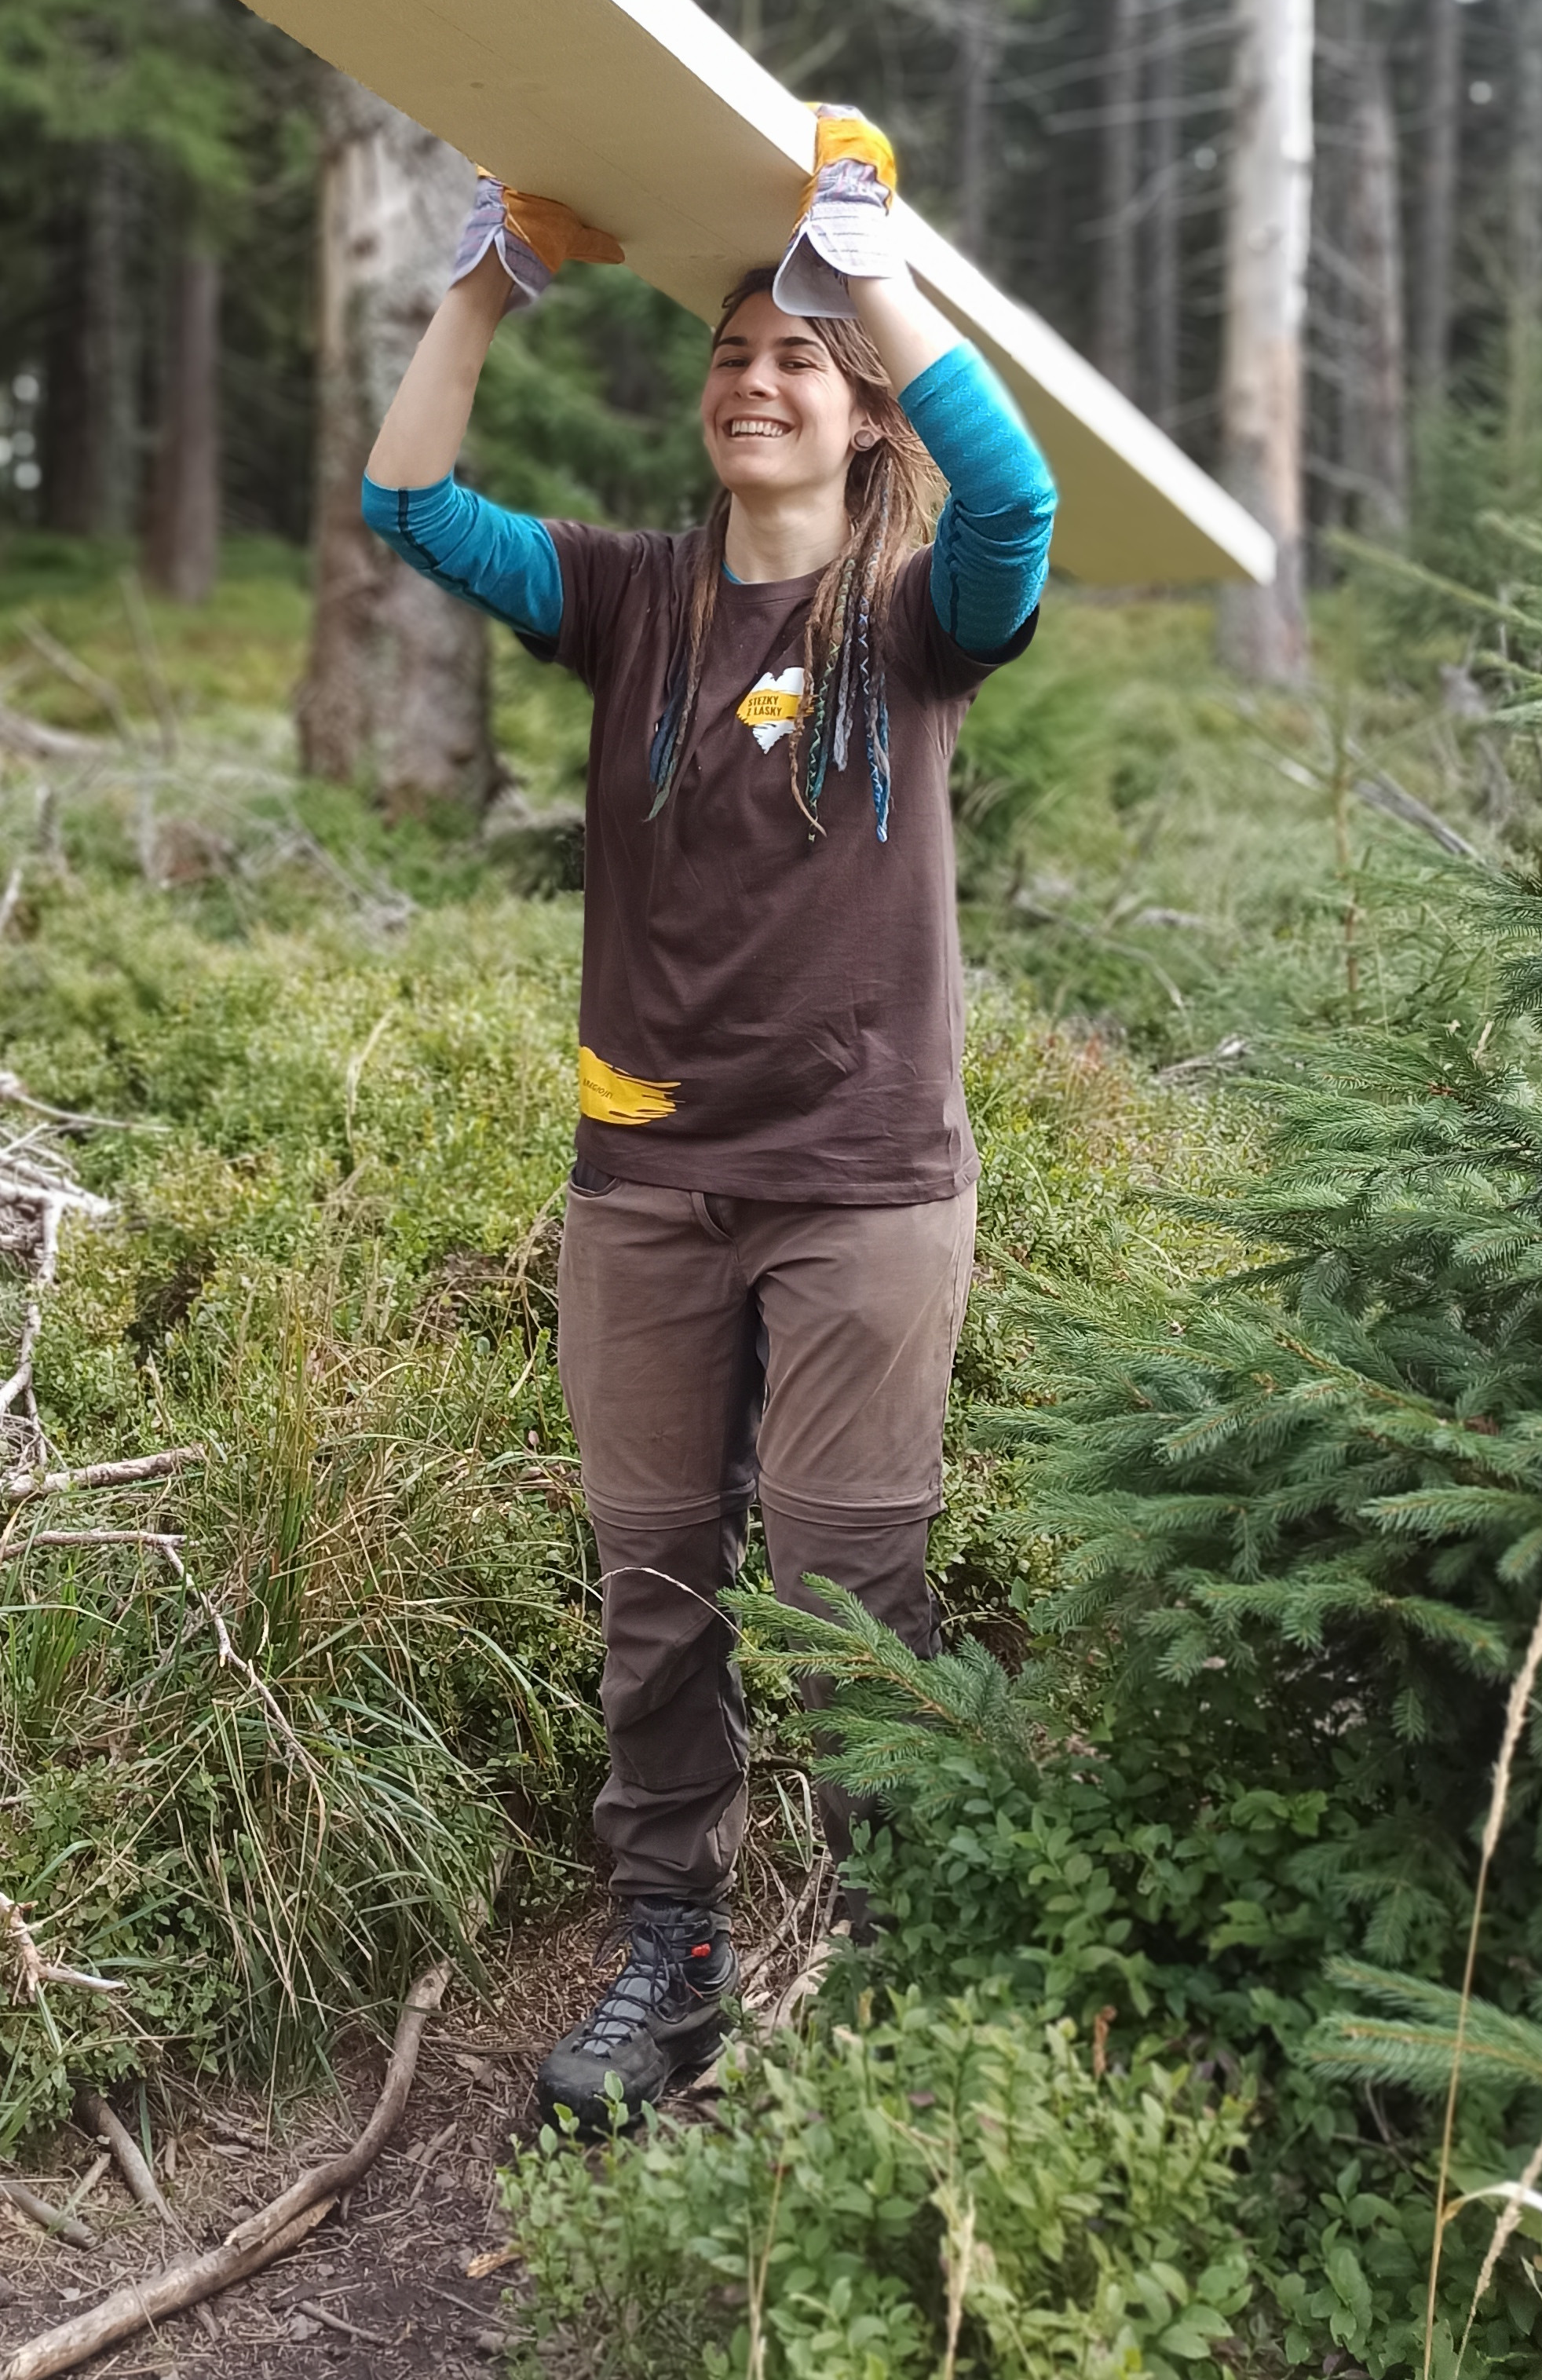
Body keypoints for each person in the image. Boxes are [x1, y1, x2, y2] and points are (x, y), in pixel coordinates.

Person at [360, 111, 1058, 2130]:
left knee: (852, 1590)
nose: (756, 377)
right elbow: (408, 502)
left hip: (859, 1184)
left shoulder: (920, 614)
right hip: (647, 1185)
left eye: (802, 360)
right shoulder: (624, 596)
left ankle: (891, 1966)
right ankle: (666, 1954)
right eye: (735, 349)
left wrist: (874, 272)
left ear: (858, 422)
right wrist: (489, 282)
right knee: (654, 1578)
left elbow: (1015, 491)